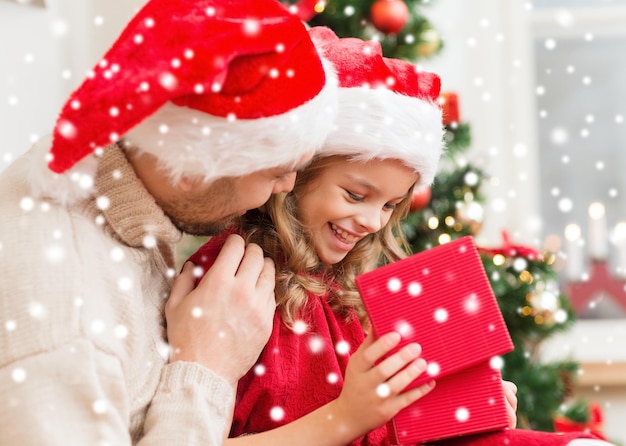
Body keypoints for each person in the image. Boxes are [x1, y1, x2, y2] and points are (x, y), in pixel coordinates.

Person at [187, 28, 613, 446]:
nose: (374, 221)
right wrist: (348, 415)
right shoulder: (230, 280)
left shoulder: (350, 295)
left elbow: (380, 427)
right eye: (356, 195)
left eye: (390, 205)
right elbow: (193, 438)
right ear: (295, 174)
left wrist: (465, 414)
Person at [0, 1, 338, 445]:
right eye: (275, 171)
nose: (285, 187)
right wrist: (207, 367)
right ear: (195, 167)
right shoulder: (68, 331)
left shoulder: (116, 172)